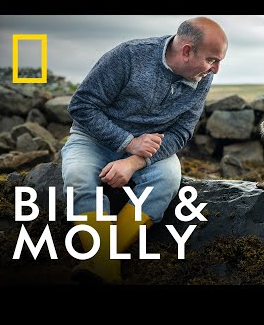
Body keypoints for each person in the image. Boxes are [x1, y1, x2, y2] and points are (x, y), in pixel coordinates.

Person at [61, 17, 228, 283]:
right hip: (92, 139)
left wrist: (134, 161)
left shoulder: (201, 77)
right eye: (212, 60)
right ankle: (108, 266)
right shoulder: (128, 56)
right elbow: (81, 106)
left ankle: (103, 261)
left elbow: (182, 133)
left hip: (148, 150)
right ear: (186, 51)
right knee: (78, 176)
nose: (215, 70)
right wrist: (128, 142)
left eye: (218, 61)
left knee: (168, 178)